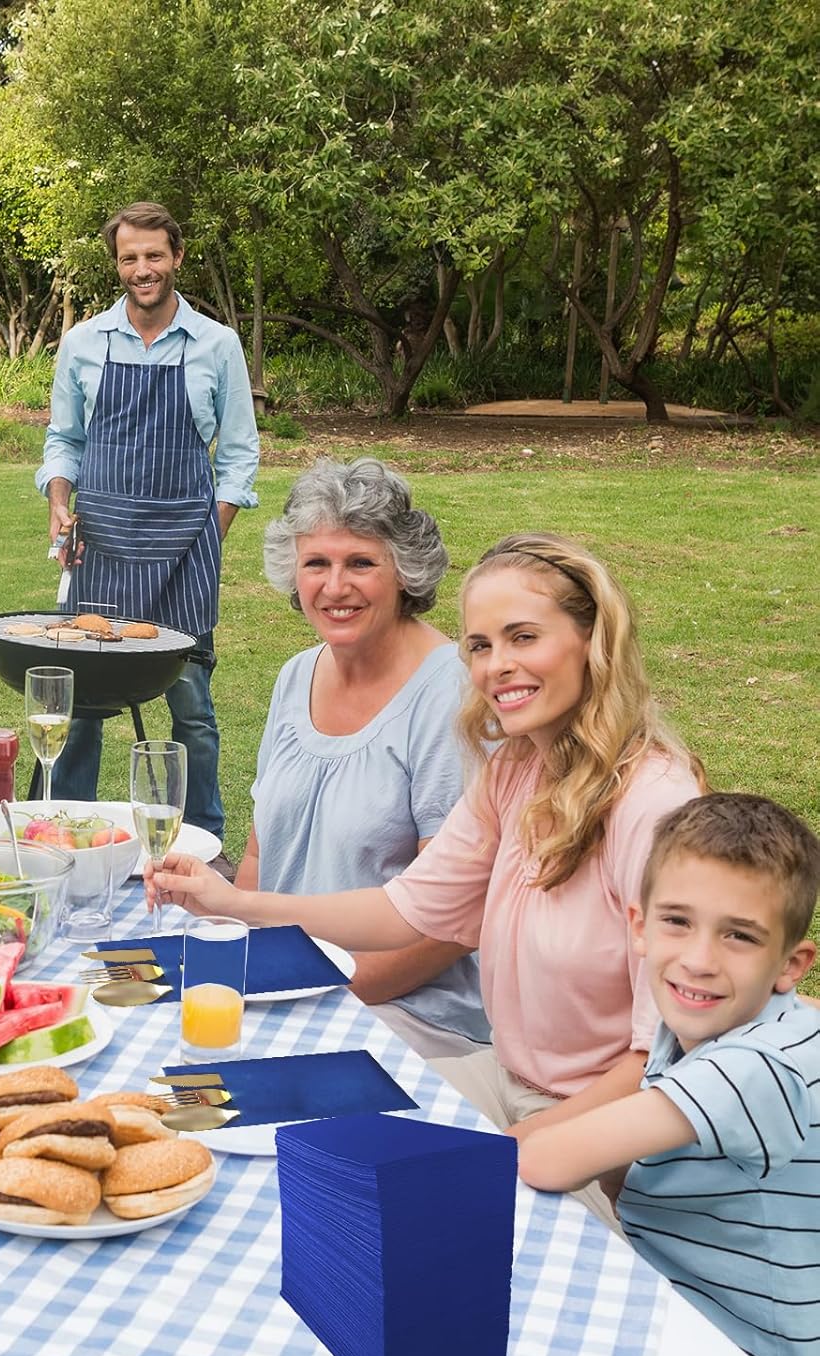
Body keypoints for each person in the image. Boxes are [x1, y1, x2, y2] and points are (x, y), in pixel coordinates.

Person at [153, 534, 705, 1221]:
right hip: (506, 1077)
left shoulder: (654, 805)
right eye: (479, 646)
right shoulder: (517, 770)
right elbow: (404, 910)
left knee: (419, 1213)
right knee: (246, 1121)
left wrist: (519, 1141)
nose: (498, 666)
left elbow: (664, 1059)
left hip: (611, 1126)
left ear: (593, 642)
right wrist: (235, 900)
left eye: (523, 637)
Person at [518, 793, 820, 1356]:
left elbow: (548, 1161)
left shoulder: (751, 1063)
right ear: (640, 926)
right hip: (698, 1337)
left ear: (791, 961)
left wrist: (528, 1141)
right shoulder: (715, 1027)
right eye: (678, 922)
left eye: (739, 936)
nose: (700, 959)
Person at [239, 457, 485, 1059]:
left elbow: (454, 920)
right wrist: (235, 961)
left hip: (403, 1007)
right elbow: (257, 853)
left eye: (361, 563)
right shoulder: (297, 675)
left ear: (405, 571)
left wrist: (323, 992)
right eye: (316, 563)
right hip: (284, 988)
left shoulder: (451, 695)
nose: (335, 586)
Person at [35, 202, 260, 850]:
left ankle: (205, 842)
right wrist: (58, 497)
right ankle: (58, 836)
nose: (143, 269)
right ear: (117, 264)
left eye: (154, 256)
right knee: (79, 708)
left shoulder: (217, 344)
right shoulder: (83, 345)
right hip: (100, 543)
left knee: (191, 709)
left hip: (185, 551)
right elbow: (65, 439)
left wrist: (209, 535)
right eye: (130, 257)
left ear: (176, 257)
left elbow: (241, 453)